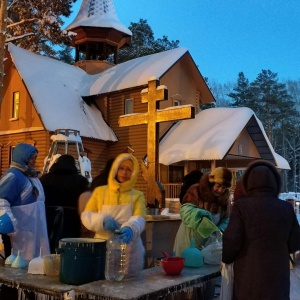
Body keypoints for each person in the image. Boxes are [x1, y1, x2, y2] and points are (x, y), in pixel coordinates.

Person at [222, 160, 300, 300]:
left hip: (249, 279)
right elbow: (295, 242)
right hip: (278, 281)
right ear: (275, 183)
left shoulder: (241, 207)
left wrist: (227, 258)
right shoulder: (286, 208)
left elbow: (231, 240)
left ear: (248, 183)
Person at [81, 153, 147, 276]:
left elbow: (140, 218)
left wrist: (131, 228)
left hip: (129, 252)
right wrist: (102, 221)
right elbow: (87, 215)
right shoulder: (100, 192)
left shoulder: (137, 195)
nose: (124, 173)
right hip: (102, 248)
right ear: (115, 169)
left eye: (129, 170)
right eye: (121, 168)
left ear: (134, 173)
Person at [0, 143, 50, 261]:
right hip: (21, 232)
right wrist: (9, 222)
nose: (34, 160)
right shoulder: (13, 175)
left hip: (36, 227)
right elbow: (1, 200)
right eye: (31, 157)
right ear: (22, 157)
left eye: (35, 158)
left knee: (36, 260)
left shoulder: (31, 176)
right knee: (20, 262)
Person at [174, 167, 232, 256]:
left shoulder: (225, 200)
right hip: (189, 240)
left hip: (210, 243)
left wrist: (219, 231)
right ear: (212, 182)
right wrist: (200, 216)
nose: (220, 190)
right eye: (218, 186)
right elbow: (185, 211)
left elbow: (226, 219)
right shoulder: (197, 191)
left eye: (224, 188)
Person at [40, 154, 89, 253]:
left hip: (48, 216)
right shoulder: (80, 180)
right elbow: (84, 200)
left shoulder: (44, 179)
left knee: (48, 246)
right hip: (71, 219)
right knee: (69, 246)